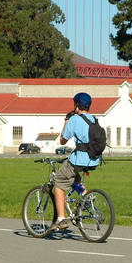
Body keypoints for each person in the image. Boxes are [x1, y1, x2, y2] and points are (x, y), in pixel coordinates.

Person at [47, 92, 101, 233]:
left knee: (59, 183)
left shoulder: (74, 120)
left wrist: (67, 120)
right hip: (94, 159)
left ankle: (61, 219)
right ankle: (85, 197)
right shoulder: (94, 119)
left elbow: (63, 140)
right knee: (74, 176)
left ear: (76, 105)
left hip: (80, 158)